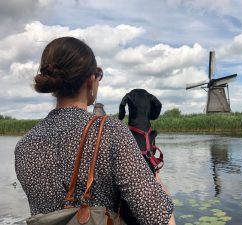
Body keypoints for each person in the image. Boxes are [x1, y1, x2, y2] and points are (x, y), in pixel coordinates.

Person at [14, 37, 176, 225]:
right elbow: (158, 218)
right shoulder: (110, 131)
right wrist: (159, 185)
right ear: (91, 80)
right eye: (99, 76)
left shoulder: (24, 145)